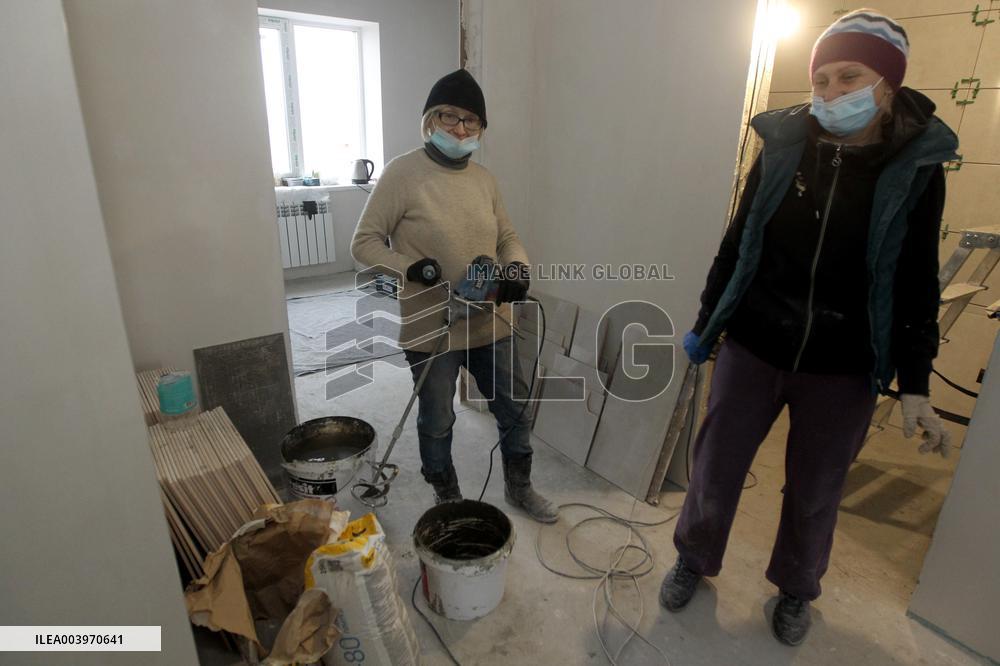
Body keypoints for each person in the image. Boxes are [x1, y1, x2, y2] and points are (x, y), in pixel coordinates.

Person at [659, 10, 957, 645]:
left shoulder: (916, 169)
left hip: (844, 362)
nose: (829, 94)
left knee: (816, 488)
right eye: (820, 79)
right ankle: (694, 556)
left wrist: (916, 383)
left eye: (849, 77)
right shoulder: (784, 149)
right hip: (756, 343)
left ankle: (796, 589)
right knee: (716, 465)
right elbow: (738, 244)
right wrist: (706, 323)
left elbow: (916, 281)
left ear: (889, 84)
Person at [350, 69, 559, 523]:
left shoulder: (485, 180)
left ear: (481, 128)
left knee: (515, 410)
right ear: (430, 119)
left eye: (471, 121)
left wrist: (518, 266)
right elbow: (364, 242)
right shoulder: (402, 173)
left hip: (490, 321)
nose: (461, 129)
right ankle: (448, 497)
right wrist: (409, 267)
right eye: (450, 117)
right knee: (438, 421)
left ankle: (520, 488)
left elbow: (507, 235)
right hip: (432, 328)